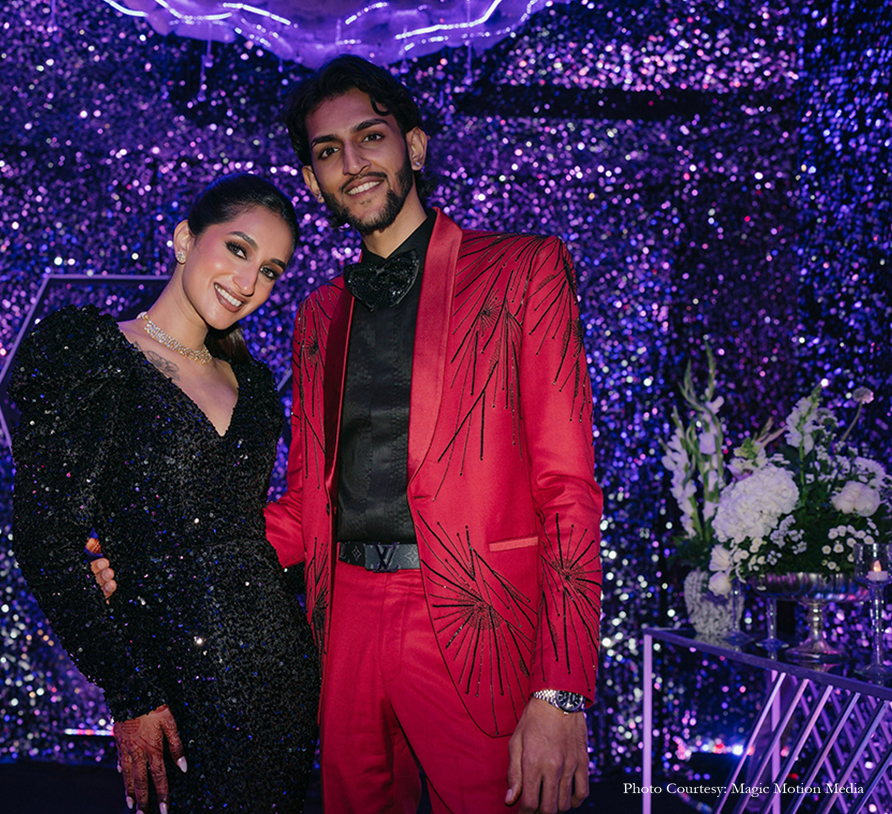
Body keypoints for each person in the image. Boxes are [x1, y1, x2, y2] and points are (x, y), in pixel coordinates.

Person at [94, 56, 603, 814]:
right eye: (329, 150)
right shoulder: (319, 314)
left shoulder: (522, 270)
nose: (353, 162)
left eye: (371, 136)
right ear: (312, 180)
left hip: (480, 626)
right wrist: (153, 554)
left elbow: (567, 491)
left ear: (414, 146)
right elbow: (307, 505)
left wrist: (561, 688)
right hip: (345, 628)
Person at [11, 173, 320, 814]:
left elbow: (243, 540)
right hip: (170, 690)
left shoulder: (255, 390)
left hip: (281, 679)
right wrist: (130, 693)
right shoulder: (94, 356)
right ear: (185, 239)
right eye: (237, 249)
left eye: (270, 270)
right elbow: (45, 539)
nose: (248, 282)